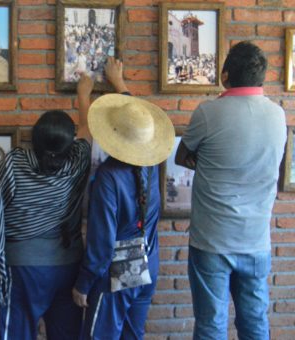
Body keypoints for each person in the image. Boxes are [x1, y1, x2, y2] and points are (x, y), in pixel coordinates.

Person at [175, 41, 286, 339]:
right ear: (261, 76)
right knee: (255, 323)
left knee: (211, 324)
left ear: (225, 76)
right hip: (256, 240)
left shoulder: (209, 113)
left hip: (212, 241)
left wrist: (213, 164)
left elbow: (180, 156)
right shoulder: (278, 116)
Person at [0, 75, 93, 339]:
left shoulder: (13, 164)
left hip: (22, 271)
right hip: (68, 265)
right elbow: (87, 131)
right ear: (69, 145)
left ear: (33, 140)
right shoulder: (77, 164)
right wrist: (83, 95)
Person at [72, 57, 175, 339]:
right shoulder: (151, 165)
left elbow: (102, 243)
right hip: (148, 263)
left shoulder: (108, 177)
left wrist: (83, 283)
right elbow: (136, 121)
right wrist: (120, 84)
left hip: (114, 272)